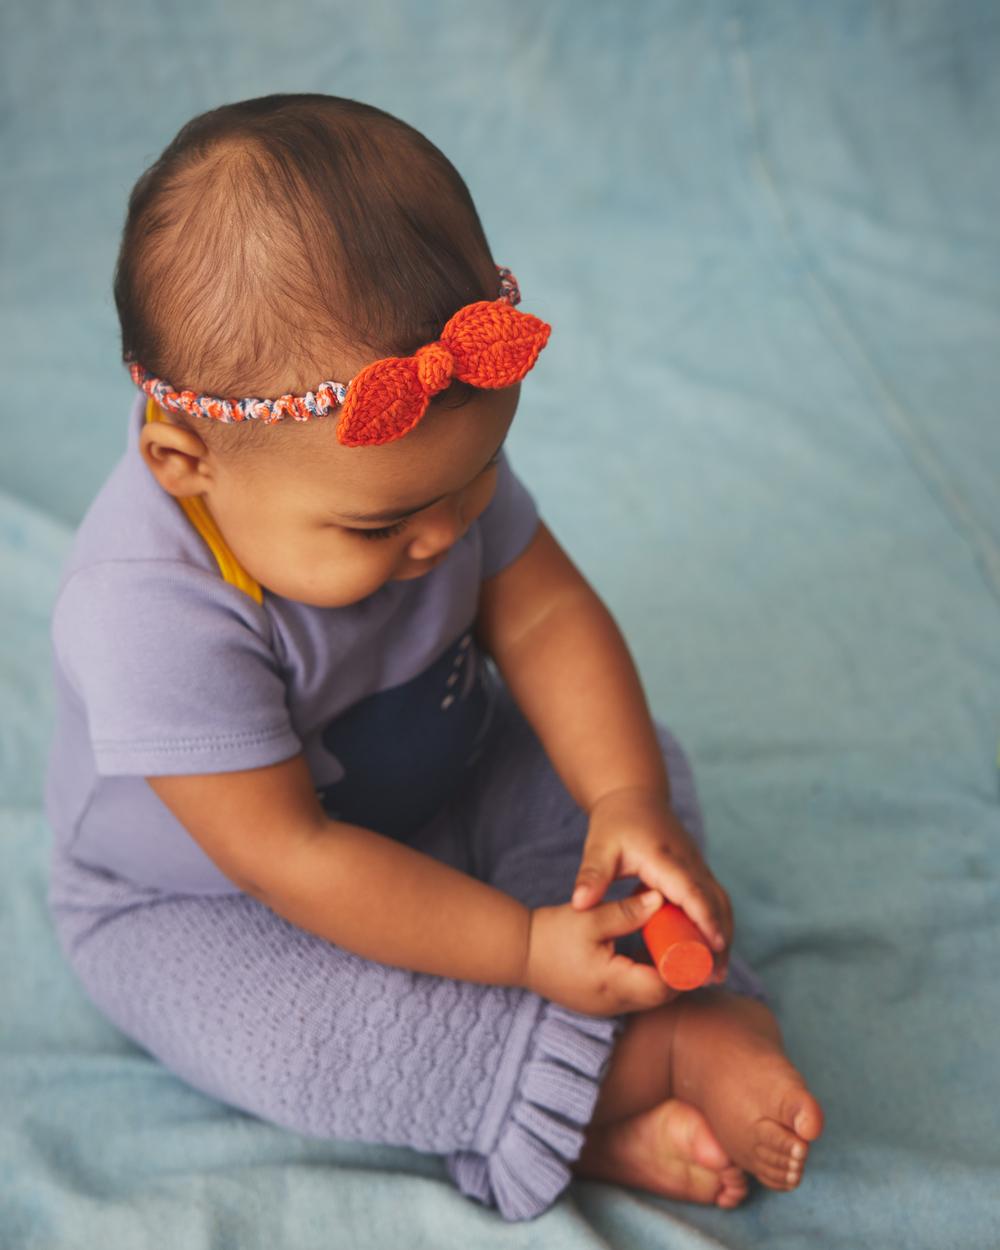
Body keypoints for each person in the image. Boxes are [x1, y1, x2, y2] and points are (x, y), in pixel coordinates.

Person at [45, 93, 823, 1222]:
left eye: (476, 479)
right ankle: (628, 1076)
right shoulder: (147, 613)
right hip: (213, 896)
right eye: (383, 526)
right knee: (312, 1042)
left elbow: (547, 618)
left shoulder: (420, 472)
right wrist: (520, 947)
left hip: (449, 775)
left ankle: (671, 996)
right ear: (184, 460)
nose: (448, 532)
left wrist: (623, 796)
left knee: (619, 776)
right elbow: (295, 855)